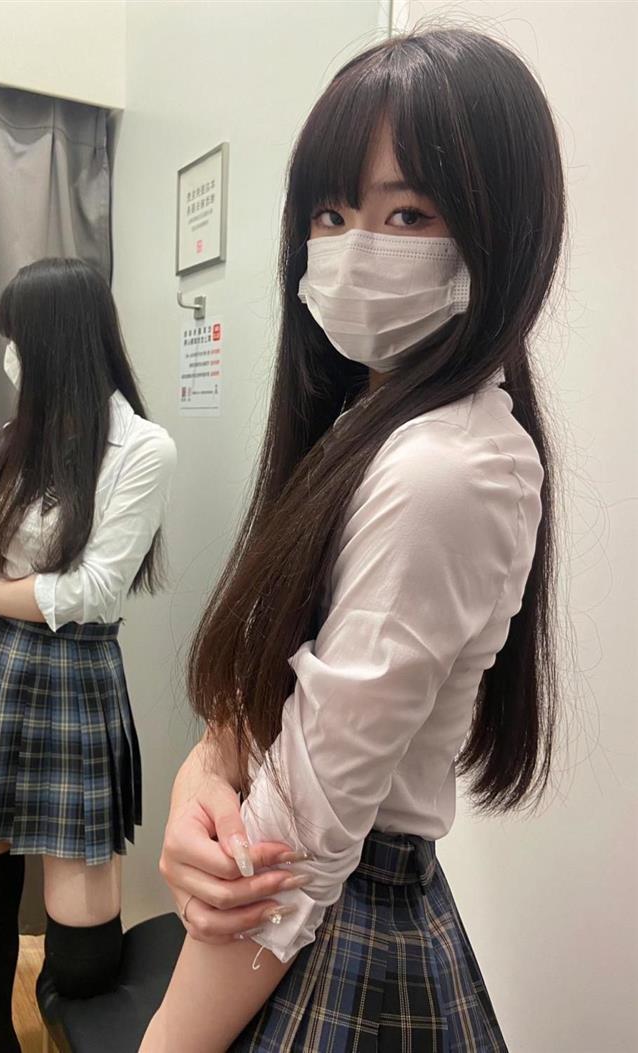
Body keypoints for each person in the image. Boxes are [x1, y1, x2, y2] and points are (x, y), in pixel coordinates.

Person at [144, 26, 564, 1052]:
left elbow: (299, 842)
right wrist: (202, 777)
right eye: (330, 214)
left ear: (502, 233)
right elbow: (273, 690)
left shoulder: (444, 468)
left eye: (407, 213)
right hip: (308, 918)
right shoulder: (362, 429)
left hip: (327, 935)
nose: (350, 248)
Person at [0, 257, 177, 1053]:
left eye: (17, 339)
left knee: (85, 956)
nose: (10, 356)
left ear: (55, 343)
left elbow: (92, 591)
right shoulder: (11, 442)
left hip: (76, 682)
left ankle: (63, 1013)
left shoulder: (141, 448)